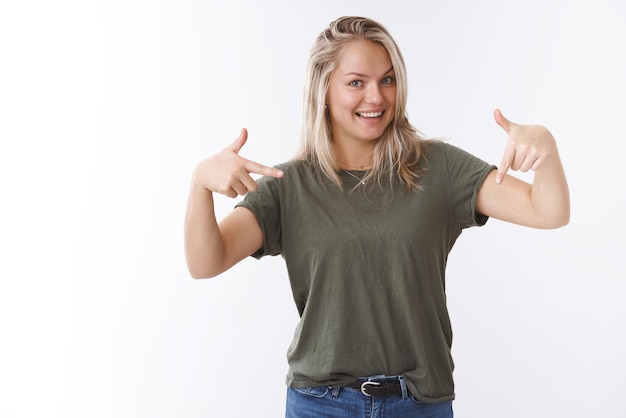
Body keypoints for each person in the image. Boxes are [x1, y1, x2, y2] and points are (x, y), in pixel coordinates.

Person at [184, 16, 569, 418]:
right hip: (320, 405)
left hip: (419, 403)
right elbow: (205, 262)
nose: (377, 97)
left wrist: (546, 148)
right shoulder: (288, 185)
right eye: (356, 82)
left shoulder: (437, 168)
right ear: (324, 91)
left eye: (387, 80)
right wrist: (199, 186)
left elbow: (548, 211)